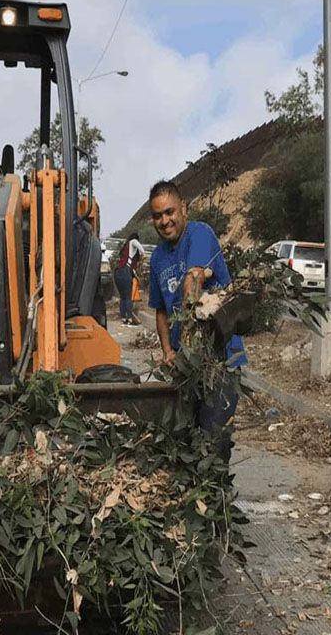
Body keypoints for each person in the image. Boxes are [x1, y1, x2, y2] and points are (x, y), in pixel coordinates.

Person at [147, 180, 246, 457]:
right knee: (185, 442)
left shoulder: (199, 234)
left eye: (169, 212)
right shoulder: (157, 258)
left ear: (183, 209)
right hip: (185, 367)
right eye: (157, 216)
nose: (165, 221)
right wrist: (168, 351)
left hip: (218, 362)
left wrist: (190, 341)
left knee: (213, 443)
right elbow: (161, 310)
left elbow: (194, 279)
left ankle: (218, 498)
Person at [114, 233, 144, 326]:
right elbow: (140, 247)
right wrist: (143, 254)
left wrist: (135, 276)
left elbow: (133, 270)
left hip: (117, 272)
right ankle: (130, 319)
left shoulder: (125, 247)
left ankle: (123, 318)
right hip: (124, 271)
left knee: (122, 297)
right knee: (128, 296)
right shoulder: (133, 241)